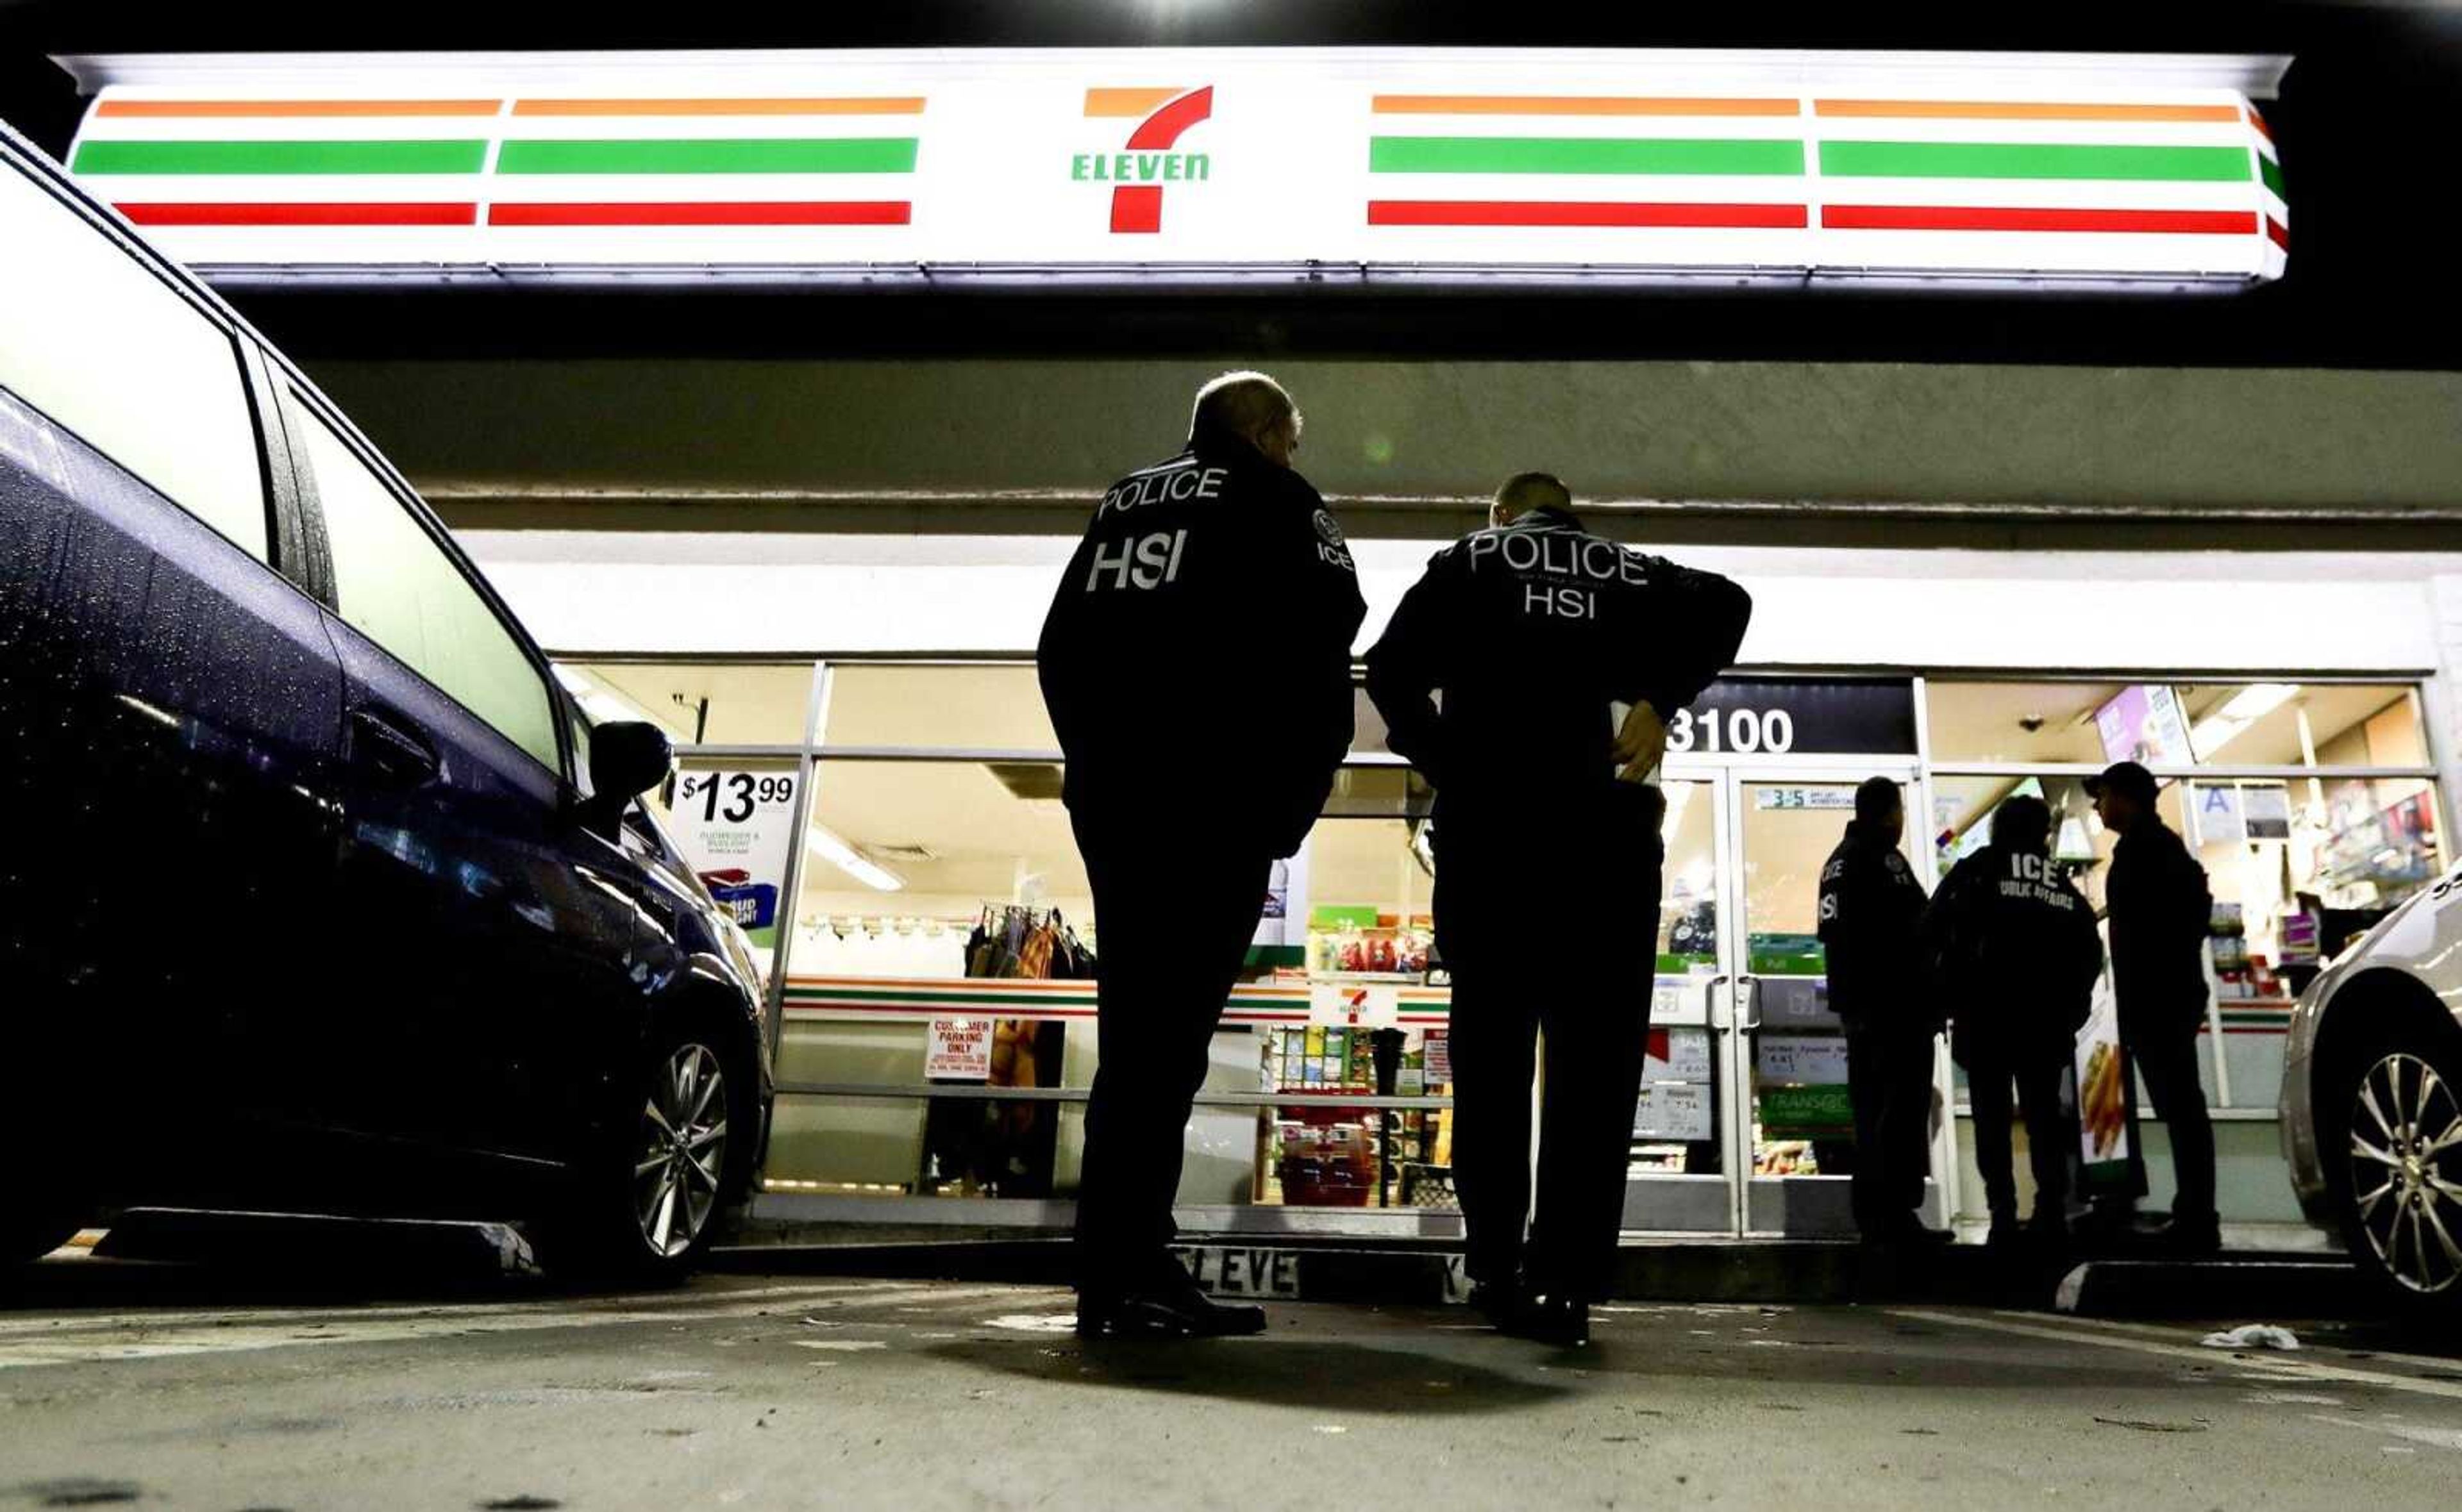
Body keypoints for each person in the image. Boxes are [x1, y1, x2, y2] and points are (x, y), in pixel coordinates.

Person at [1365, 472, 1751, 1347]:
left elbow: (1386, 670)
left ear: (1500, 515)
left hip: (1494, 842)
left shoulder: (1469, 559)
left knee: (1493, 1060)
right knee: (1595, 1069)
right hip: (1604, 847)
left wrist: (1445, 757)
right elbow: (1729, 601)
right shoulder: (1628, 568)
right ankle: (1566, 1281)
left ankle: (1498, 1267)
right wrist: (1662, 696)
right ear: (1574, 516)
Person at [1038, 370, 1366, 1336]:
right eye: (1292, 439)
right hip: (1216, 806)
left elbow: (1060, 646)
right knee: (1166, 1047)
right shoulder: (1279, 500)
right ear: (1264, 433)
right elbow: (1324, 645)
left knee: (1136, 1040)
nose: (1295, 456)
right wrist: (1286, 807)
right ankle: (1131, 1270)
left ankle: (1119, 1266)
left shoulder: (1126, 501)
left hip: (1119, 804)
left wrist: (1094, 763)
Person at [1924, 795, 2104, 1254]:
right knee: (2044, 1118)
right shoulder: (2058, 883)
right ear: (2042, 833)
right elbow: (2089, 948)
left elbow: (1931, 928)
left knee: (1992, 1120)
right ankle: (2050, 1213)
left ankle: (2002, 1213)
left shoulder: (1977, 870)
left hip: (1985, 1019)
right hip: (2044, 1024)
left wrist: (1946, 995)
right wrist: (2073, 1007)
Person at [2088, 760, 2220, 1256]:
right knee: (2181, 1106)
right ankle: (2195, 1212)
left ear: (2125, 797)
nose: (2099, 806)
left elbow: (2168, 926)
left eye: (2102, 795)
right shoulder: (2155, 849)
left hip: (2160, 1000)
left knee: (2182, 1107)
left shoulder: (2151, 851)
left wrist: (2152, 986)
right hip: (2162, 997)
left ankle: (2197, 1216)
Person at [1817, 777, 1949, 1249]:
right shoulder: (1880, 858)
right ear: (1890, 813)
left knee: (1872, 1110)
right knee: (1899, 1110)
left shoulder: (1837, 860)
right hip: (1894, 1009)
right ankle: (1895, 1216)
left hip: (1860, 1011)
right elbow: (1917, 928)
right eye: (1900, 811)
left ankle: (1875, 1216)